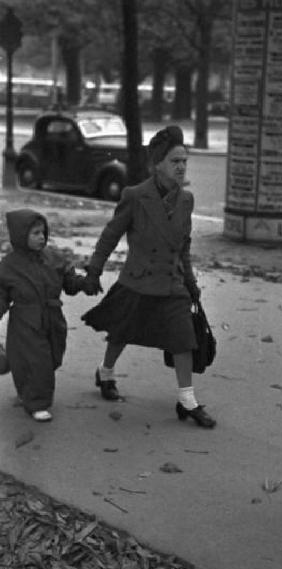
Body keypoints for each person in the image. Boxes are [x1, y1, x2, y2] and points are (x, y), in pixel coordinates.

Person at [82, 125, 216, 429]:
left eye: (184, 161)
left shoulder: (186, 200)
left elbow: (183, 245)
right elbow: (110, 236)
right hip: (139, 281)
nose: (181, 167)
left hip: (172, 282)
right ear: (158, 165)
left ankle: (187, 400)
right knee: (121, 333)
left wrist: (191, 283)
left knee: (184, 339)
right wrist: (94, 270)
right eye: (175, 161)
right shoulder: (135, 196)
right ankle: (105, 372)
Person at [0, 209, 85, 422]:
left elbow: (69, 281)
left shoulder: (52, 257)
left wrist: (84, 282)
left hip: (53, 318)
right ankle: (37, 402)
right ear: (21, 235)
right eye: (35, 233)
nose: (41, 237)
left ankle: (28, 391)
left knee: (53, 356)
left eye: (43, 232)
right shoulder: (9, 266)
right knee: (37, 361)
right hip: (26, 322)